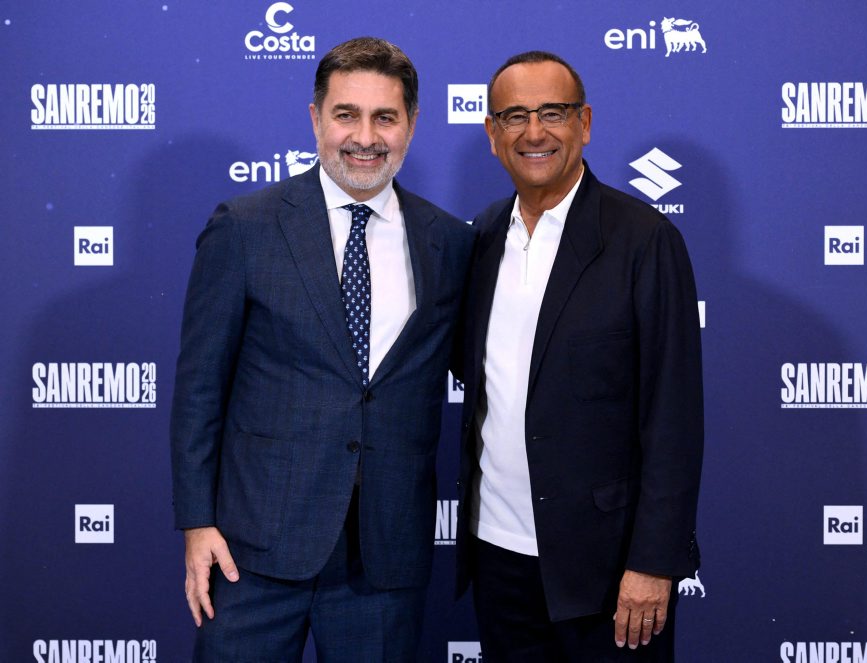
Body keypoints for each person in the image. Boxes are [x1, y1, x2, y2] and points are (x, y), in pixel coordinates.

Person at [170, 36, 475, 661]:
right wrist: (197, 523)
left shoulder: (449, 242)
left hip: (384, 558)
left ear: (412, 124)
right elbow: (200, 388)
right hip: (250, 551)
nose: (365, 137)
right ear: (316, 119)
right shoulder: (245, 227)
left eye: (385, 117)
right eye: (346, 115)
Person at [455, 51, 704, 662]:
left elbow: (673, 418)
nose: (533, 132)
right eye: (514, 116)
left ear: (584, 123)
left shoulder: (644, 239)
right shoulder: (482, 237)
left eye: (553, 113)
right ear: (492, 134)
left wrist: (653, 562)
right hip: (498, 559)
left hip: (609, 571)